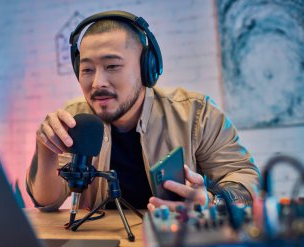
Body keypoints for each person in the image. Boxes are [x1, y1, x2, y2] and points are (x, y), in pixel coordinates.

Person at [26, 10, 260, 212]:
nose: (97, 83)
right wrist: (46, 150)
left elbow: (247, 182)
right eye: (87, 69)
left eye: (112, 66)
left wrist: (213, 200)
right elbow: (47, 202)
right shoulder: (77, 122)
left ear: (148, 68)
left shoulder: (197, 114)